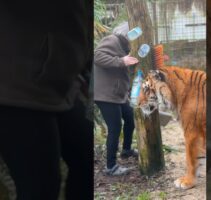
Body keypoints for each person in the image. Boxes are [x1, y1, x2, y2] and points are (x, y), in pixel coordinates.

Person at [0, 1, 93, 200]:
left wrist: (84, 68)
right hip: (16, 84)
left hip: (63, 81)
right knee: (40, 186)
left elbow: (81, 19)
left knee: (87, 160)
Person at [94, 21, 139, 176]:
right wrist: (121, 61)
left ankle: (126, 150)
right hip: (105, 94)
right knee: (115, 128)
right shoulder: (112, 40)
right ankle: (111, 166)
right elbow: (97, 56)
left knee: (130, 118)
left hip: (118, 93)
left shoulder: (126, 46)